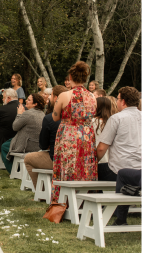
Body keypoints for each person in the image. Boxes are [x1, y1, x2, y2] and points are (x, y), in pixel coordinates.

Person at [45, 61, 99, 222]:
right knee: (84, 168)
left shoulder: (64, 95)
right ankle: (83, 204)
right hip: (87, 136)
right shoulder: (92, 97)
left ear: (70, 77)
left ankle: (62, 205)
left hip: (69, 134)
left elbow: (55, 117)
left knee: (65, 167)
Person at [95, 87, 142, 225]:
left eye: (118, 98)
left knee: (92, 172)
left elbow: (102, 148)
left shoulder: (116, 118)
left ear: (123, 101)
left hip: (118, 170)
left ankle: (95, 208)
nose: (117, 101)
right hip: (141, 171)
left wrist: (93, 163)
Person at [9, 93, 47, 172]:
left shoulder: (27, 114)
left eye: (29, 100)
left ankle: (12, 170)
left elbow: (15, 127)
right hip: (38, 145)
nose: (26, 100)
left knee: (4, 146)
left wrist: (19, 114)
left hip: (26, 146)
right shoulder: (42, 113)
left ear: (35, 104)